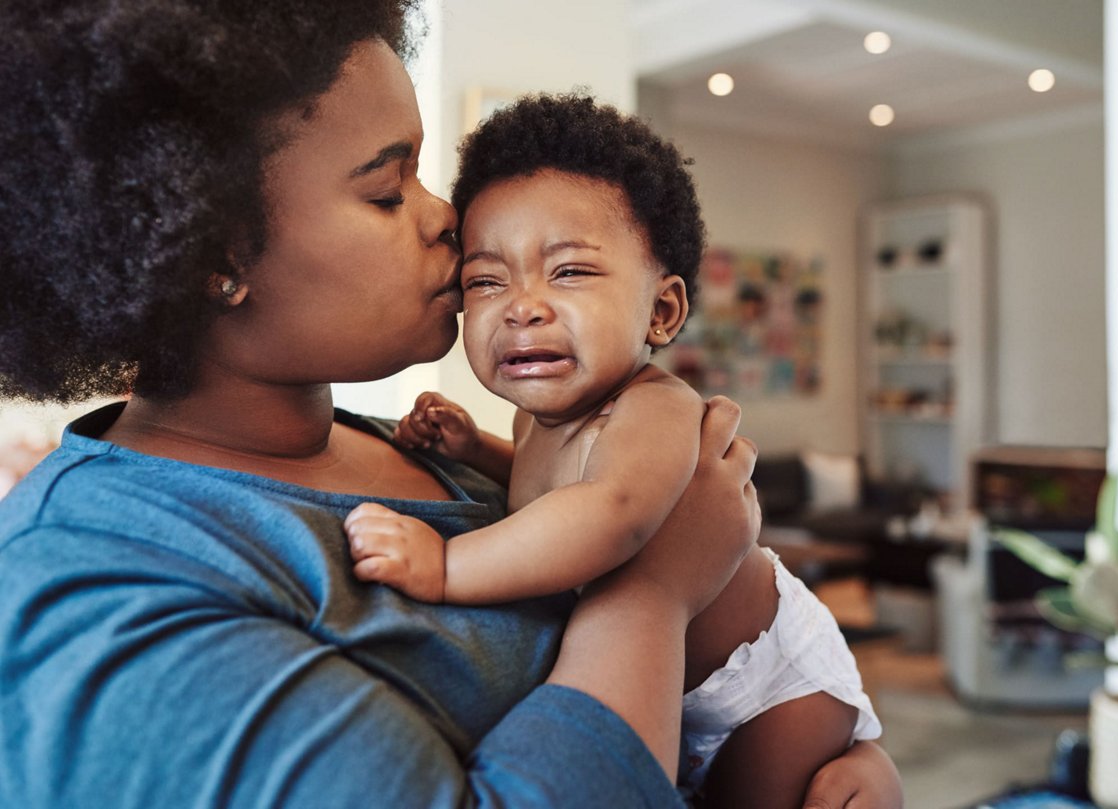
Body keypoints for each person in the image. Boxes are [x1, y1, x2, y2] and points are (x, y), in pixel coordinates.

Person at [0, 2, 903, 807]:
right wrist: (655, 591)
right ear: (211, 252)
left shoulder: (408, 446)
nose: (447, 220)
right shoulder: (102, 585)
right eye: (389, 189)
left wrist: (836, 750)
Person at [343, 93, 883, 808]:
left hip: (770, 682)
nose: (522, 304)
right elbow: (552, 490)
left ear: (661, 311)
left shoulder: (654, 408)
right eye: (485, 279)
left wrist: (446, 565)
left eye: (567, 272)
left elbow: (609, 515)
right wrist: (478, 449)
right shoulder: (542, 416)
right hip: (669, 687)